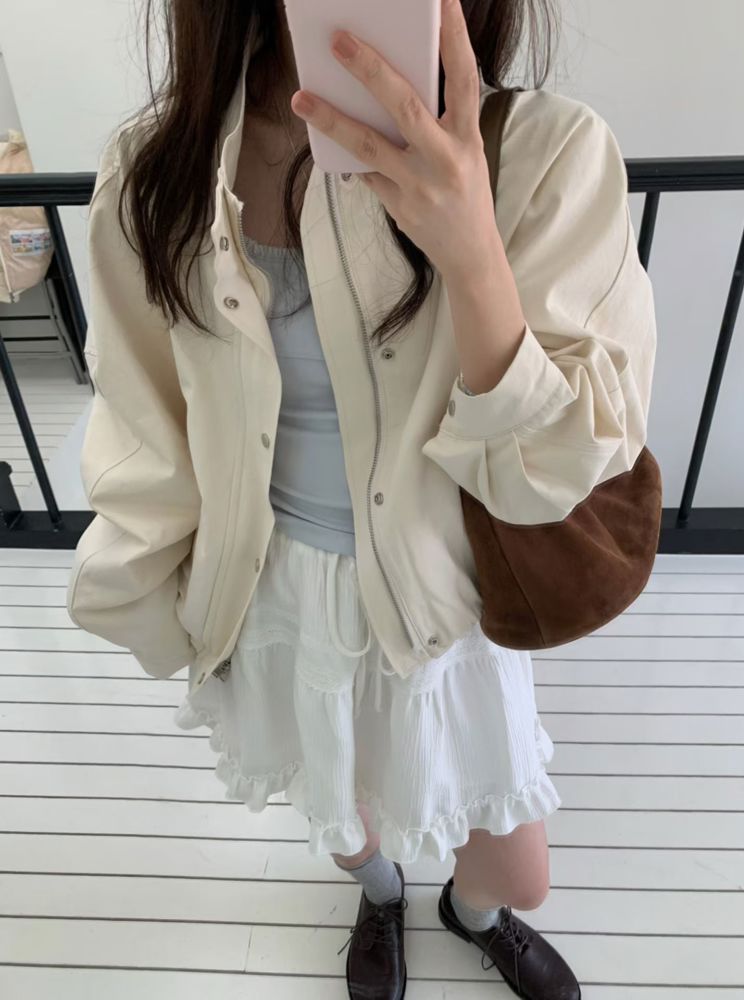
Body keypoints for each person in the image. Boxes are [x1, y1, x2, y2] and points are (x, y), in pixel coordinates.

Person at [67, 0, 657, 997]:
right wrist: (161, 608)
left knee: (518, 870)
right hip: (273, 586)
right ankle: (379, 892)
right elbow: (148, 431)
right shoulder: (157, 171)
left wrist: (471, 250)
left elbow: (559, 468)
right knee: (336, 798)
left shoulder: (545, 153)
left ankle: (472, 911)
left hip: (443, 598)